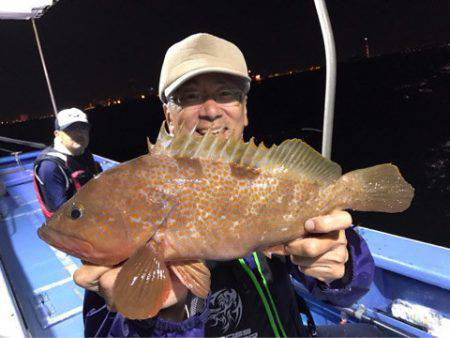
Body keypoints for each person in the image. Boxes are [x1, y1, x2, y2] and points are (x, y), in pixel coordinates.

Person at [76, 33, 375, 337]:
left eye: (225, 93)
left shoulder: (273, 183)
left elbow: (345, 292)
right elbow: (105, 328)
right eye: (190, 96)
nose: (210, 110)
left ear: (245, 110)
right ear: (168, 115)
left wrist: (341, 266)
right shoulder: (129, 208)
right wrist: (157, 317)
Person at [33, 107, 106, 327]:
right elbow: (62, 216)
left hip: (94, 214)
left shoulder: (84, 153)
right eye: (71, 130)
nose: (79, 134)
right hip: (71, 228)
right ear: (57, 134)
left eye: (83, 128)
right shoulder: (50, 166)